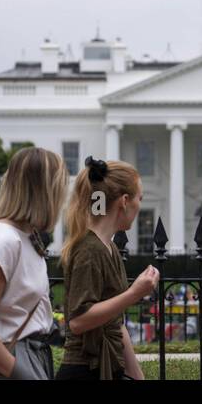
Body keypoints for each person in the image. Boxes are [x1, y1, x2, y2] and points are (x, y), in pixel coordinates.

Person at [0, 145, 68, 379]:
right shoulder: (5, 240)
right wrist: (22, 374)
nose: (62, 198)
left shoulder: (27, 238)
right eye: (59, 189)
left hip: (32, 356)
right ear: (43, 191)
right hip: (10, 361)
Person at [55, 156, 158, 380]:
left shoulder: (109, 248)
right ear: (124, 200)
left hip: (108, 367)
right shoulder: (89, 250)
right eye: (139, 198)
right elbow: (78, 321)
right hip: (84, 371)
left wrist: (138, 376)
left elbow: (115, 325)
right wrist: (134, 293)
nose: (140, 205)